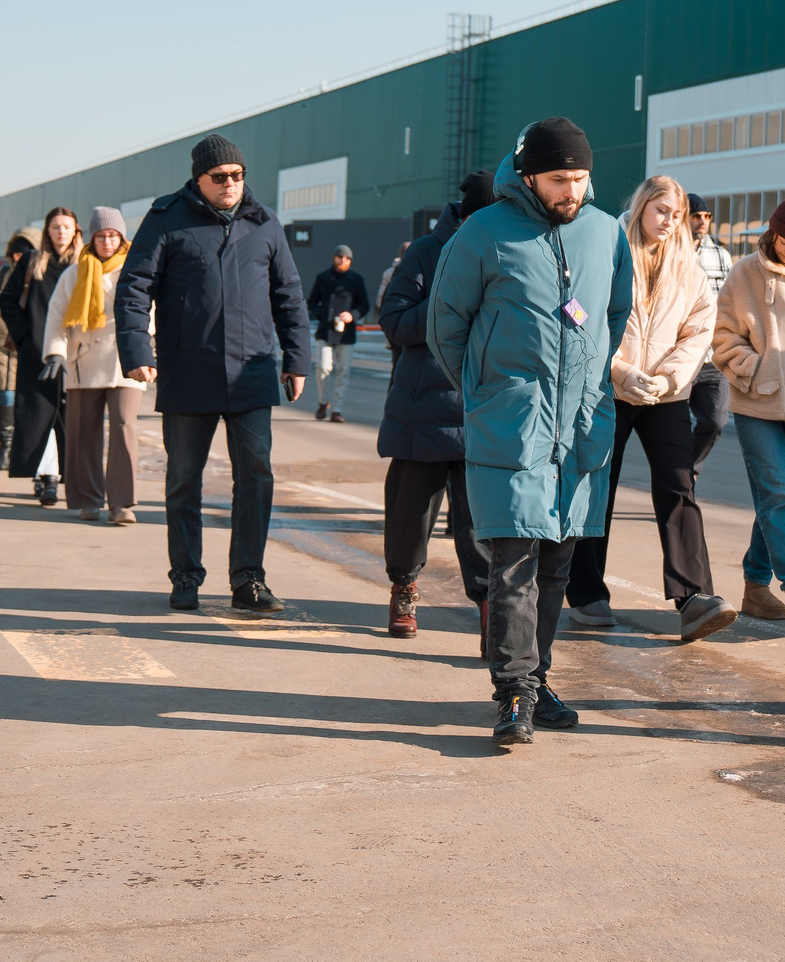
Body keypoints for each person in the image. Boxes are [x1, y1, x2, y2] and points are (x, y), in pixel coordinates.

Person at [429, 118, 632, 748]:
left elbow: (615, 311)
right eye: (558, 180)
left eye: (579, 178)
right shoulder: (484, 232)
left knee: (557, 564)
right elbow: (446, 326)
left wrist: (592, 375)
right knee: (513, 561)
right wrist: (490, 388)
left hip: (578, 427)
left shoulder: (604, 233)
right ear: (526, 177)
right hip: (512, 422)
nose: (571, 191)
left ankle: (537, 680)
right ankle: (513, 692)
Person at [114, 133, 310, 614]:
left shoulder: (265, 224)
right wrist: (138, 348)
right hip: (189, 370)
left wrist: (297, 358)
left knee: (256, 476)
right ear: (198, 180)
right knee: (183, 478)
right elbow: (134, 287)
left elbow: (289, 294)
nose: (231, 184)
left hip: (253, 370)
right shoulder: (166, 220)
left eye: (237, 176)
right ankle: (185, 575)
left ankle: (249, 579)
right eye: (220, 177)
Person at [563, 175, 730, 641]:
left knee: (679, 485)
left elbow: (700, 330)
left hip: (665, 394)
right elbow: (574, 310)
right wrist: (618, 370)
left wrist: (668, 378)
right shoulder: (604, 250)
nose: (670, 221)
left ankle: (694, 596)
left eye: (676, 215)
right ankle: (585, 593)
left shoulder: (689, 267)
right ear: (640, 208)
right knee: (597, 486)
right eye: (662, 211)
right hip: (606, 389)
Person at [375, 170, 497, 639]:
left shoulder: (512, 255)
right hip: (422, 410)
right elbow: (394, 322)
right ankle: (403, 588)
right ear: (467, 216)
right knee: (410, 516)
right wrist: (446, 301)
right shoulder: (426, 253)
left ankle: (491, 607)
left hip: (483, 411)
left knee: (482, 523)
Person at [709, 189, 785, 632]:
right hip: (757, 403)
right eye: (784, 239)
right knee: (778, 494)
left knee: (782, 498)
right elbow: (722, 339)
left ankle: (755, 585)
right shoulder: (745, 273)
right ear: (772, 232)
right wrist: (755, 369)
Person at [43, 207, 146, 525]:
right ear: (91, 237)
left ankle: (121, 504)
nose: (106, 241)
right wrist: (55, 353)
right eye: (100, 235)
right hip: (82, 361)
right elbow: (57, 316)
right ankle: (88, 500)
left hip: (125, 361)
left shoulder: (137, 269)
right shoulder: (74, 272)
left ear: (122, 237)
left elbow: (149, 312)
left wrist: (146, 353)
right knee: (83, 432)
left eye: (113, 235)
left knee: (124, 428)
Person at [5, 207, 81, 504]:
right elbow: (8, 299)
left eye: (66, 226)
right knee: (39, 415)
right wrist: (25, 336)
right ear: (47, 231)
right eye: (55, 226)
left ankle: (70, 476)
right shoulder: (32, 262)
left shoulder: (84, 263)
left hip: (75, 355)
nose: (61, 231)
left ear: (76, 230)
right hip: (36, 353)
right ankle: (47, 477)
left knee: (69, 418)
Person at [685, 193, 733, 472]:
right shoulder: (671, 252)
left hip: (713, 355)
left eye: (706, 217)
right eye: (696, 216)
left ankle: (688, 470)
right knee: (675, 426)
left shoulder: (721, 255)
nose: (702, 222)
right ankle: (678, 481)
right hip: (680, 353)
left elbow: (729, 302)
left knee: (715, 421)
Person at [0, 228, 37, 469]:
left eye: (23, 254)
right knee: (6, 395)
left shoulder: (39, 272)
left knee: (27, 399)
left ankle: (23, 448)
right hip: (2, 345)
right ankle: (4, 446)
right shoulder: (4, 273)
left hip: (28, 345)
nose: (18, 258)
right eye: (14, 254)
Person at [307, 244, 371, 423]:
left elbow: (364, 305)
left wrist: (352, 315)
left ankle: (337, 409)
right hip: (325, 330)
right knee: (323, 368)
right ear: (334, 257)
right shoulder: (323, 278)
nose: (343, 260)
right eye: (340, 257)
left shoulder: (357, 280)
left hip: (346, 332)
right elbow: (312, 302)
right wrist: (323, 315)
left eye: (347, 258)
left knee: (344, 370)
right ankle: (323, 402)